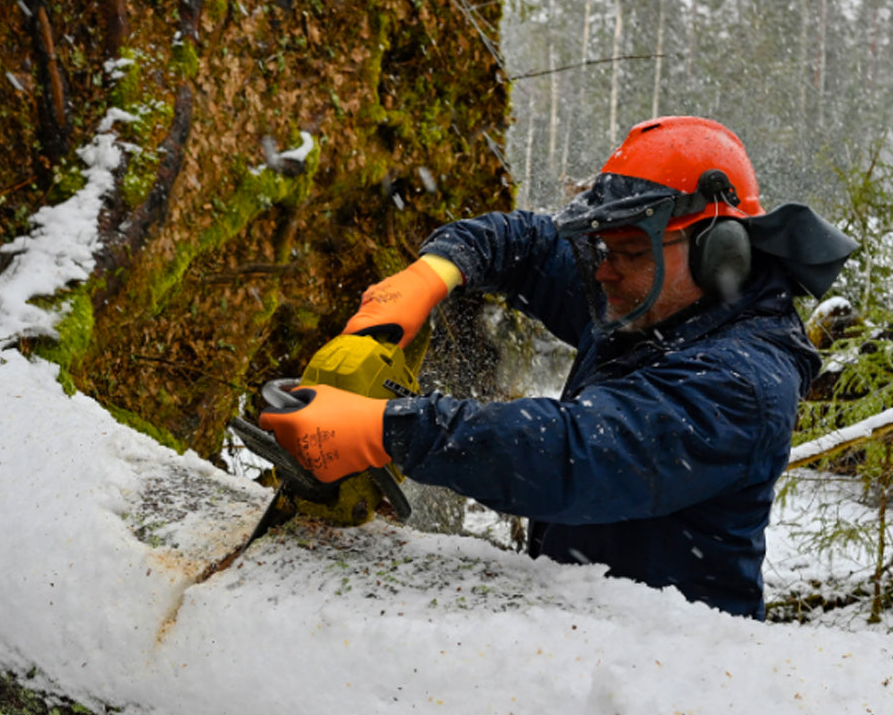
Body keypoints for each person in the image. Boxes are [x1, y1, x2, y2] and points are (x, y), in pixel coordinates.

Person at [259, 116, 856, 619]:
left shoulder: (743, 381)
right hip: (574, 635)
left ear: (715, 249)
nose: (603, 271)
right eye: (600, 249)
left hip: (676, 675)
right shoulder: (642, 299)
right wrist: (432, 275)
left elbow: (574, 454)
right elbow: (524, 242)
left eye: (624, 252)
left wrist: (387, 428)